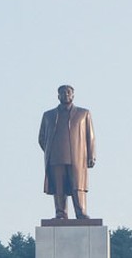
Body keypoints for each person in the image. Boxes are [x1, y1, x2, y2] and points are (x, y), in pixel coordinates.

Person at [38, 84, 95, 219]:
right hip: (56, 157)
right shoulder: (49, 115)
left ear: (73, 95)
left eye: (69, 93)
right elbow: (41, 138)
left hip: (77, 157)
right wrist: (50, 151)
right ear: (58, 96)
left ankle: (80, 211)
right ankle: (60, 212)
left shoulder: (83, 113)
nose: (66, 95)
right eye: (63, 93)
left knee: (78, 185)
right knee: (59, 187)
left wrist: (91, 155)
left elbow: (90, 136)